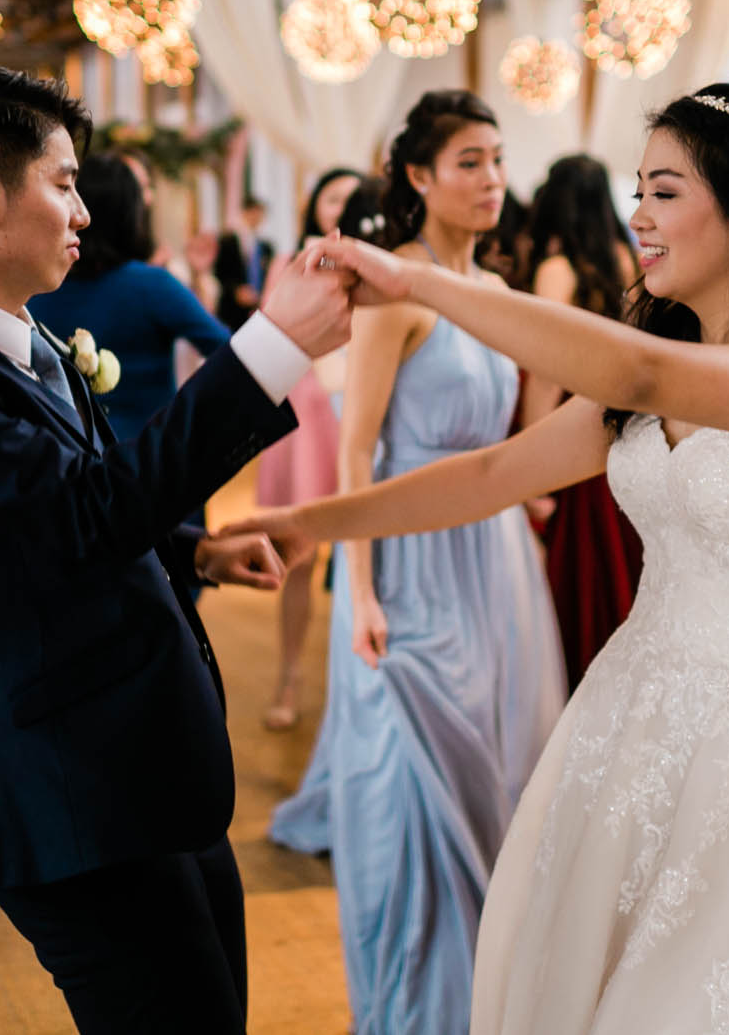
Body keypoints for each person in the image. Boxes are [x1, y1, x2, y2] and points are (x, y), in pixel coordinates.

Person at [235, 86, 729, 1034]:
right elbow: (493, 472)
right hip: (630, 729)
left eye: (665, 192)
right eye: (637, 190)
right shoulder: (653, 368)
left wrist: (420, 281)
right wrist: (316, 523)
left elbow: (642, 373)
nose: (637, 215)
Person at [0, 65, 354, 1035]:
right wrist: (270, 349)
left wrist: (192, 553)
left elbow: (46, 509)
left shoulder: (17, 331)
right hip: (62, 784)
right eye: (65, 182)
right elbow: (80, 512)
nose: (84, 210)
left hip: (133, 756)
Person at [266, 90, 566, 1035]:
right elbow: (357, 451)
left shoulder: (507, 296)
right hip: (408, 557)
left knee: (501, 774)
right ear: (420, 177)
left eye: (496, 159)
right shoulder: (397, 292)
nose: (489, 179)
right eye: (468, 161)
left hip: (498, 559)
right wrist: (358, 588)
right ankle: (415, 1009)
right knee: (410, 796)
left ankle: (495, 1001)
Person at [517, 154, 643, 686]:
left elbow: (548, 372)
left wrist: (528, 457)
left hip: (571, 440)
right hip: (623, 434)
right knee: (620, 574)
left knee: (574, 583)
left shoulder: (555, 269)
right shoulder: (626, 260)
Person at [253, 167, 364, 732]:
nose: (340, 206)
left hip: (364, 413)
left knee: (365, 556)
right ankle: (289, 676)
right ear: (315, 206)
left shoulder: (382, 268)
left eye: (351, 196)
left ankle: (359, 685)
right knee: (299, 555)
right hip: (309, 415)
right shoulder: (290, 263)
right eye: (331, 196)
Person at [28, 154, 229, 440]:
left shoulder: (40, 287)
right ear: (130, 216)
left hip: (66, 448)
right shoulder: (152, 284)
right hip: (148, 449)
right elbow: (226, 349)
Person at [211, 194, 273, 329]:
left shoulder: (266, 246)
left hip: (258, 308)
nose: (257, 218)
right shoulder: (227, 241)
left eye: (260, 214)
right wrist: (236, 290)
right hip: (232, 309)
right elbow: (219, 271)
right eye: (253, 213)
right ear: (245, 213)